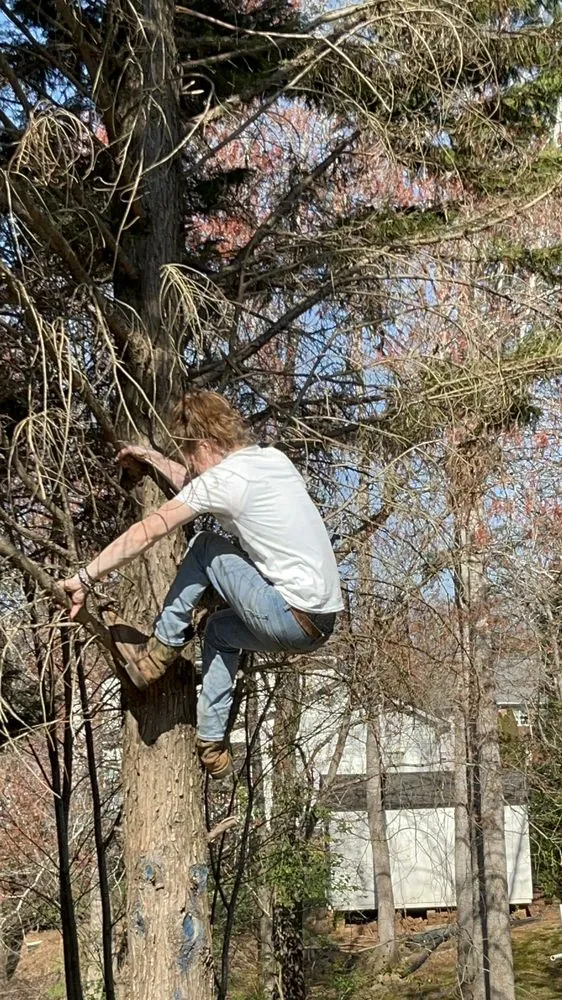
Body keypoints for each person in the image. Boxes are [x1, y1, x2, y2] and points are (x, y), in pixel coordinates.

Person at [61, 391, 343, 778]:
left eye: (190, 454)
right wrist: (151, 459)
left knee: (207, 545)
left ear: (207, 446)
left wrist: (84, 577)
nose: (190, 465)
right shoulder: (272, 460)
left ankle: (158, 653)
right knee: (220, 632)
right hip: (320, 623)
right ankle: (212, 746)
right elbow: (197, 484)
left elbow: (150, 530)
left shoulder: (225, 480)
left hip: (287, 613)